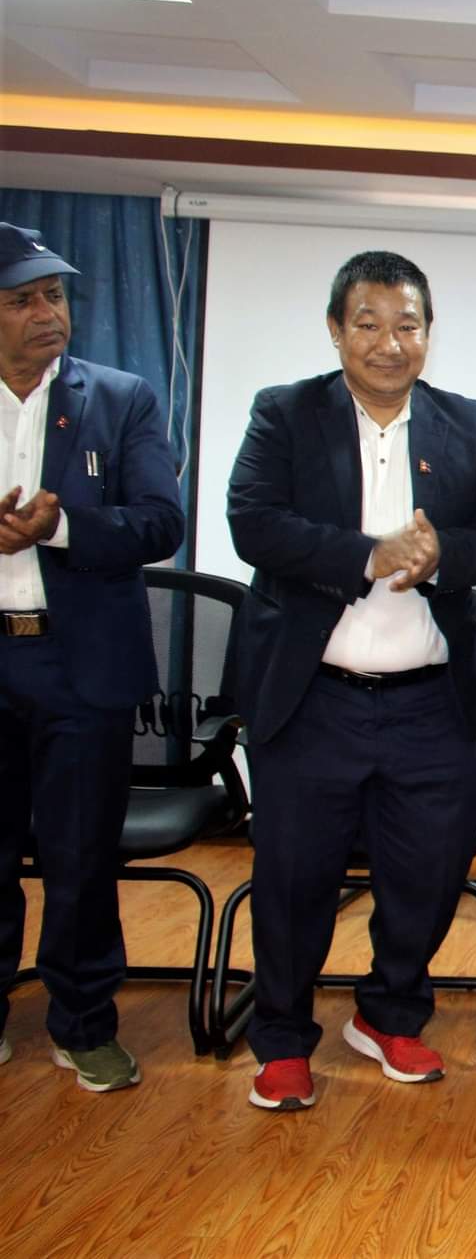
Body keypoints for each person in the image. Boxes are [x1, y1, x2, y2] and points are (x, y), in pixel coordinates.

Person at [228, 251, 476, 1111]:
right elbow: (253, 522)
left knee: (429, 870)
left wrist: (438, 555)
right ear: (336, 329)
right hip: (313, 695)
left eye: (408, 325)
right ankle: (282, 1038)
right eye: (369, 324)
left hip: (429, 698)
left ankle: (389, 1014)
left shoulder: (469, 423)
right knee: (293, 878)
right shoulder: (285, 412)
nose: (390, 343)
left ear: (428, 332)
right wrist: (367, 554)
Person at [0, 223, 182, 1092]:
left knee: (80, 857)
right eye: (22, 300)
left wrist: (62, 525)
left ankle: (84, 1021)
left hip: (79, 666)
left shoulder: (120, 398)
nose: (47, 313)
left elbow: (160, 521)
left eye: (54, 295)